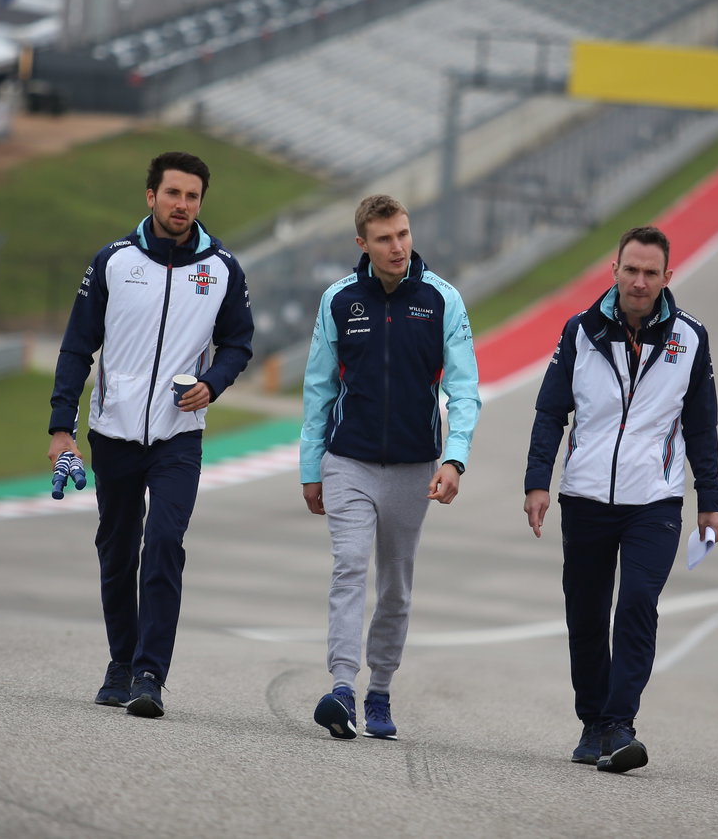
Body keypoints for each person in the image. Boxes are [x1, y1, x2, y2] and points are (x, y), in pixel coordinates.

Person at [47, 151, 254, 719]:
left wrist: (212, 384)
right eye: (173, 194)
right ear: (150, 197)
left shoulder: (222, 269)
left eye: (192, 197)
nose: (182, 205)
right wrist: (61, 426)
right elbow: (76, 347)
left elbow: (239, 342)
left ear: (201, 203)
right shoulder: (112, 261)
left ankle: (149, 674)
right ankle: (120, 661)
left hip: (178, 436)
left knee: (163, 544)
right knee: (116, 550)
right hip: (111, 432)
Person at [522, 225, 718, 773]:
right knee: (586, 615)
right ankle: (593, 721)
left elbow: (701, 427)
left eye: (650, 273)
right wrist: (537, 481)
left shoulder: (690, 339)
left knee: (636, 603)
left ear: (667, 278)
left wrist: (711, 499)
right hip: (585, 496)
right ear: (614, 270)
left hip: (654, 502)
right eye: (630, 270)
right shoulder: (580, 331)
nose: (638, 282)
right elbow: (550, 411)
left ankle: (620, 723)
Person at [301, 194, 481, 741]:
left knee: (396, 585)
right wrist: (312, 466)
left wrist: (455, 458)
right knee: (349, 565)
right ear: (363, 245)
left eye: (403, 234)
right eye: (384, 238)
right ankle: (341, 687)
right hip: (348, 460)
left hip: (413, 465)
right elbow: (318, 389)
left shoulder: (443, 300)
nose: (398, 246)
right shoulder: (337, 301)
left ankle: (379, 690)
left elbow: (465, 390)